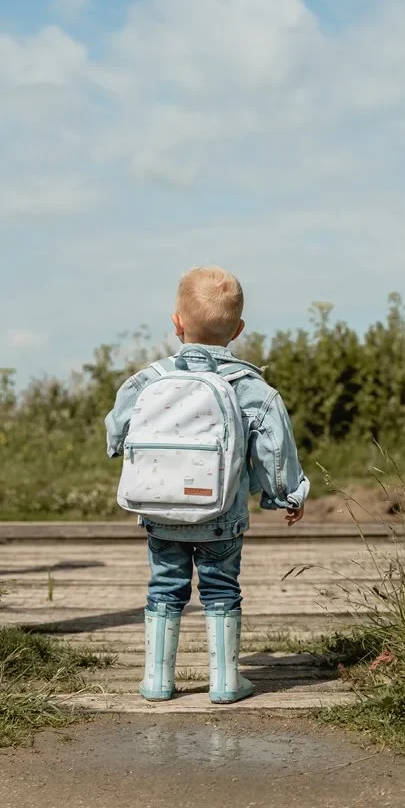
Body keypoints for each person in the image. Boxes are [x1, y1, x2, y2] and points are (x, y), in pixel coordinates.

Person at [104, 265, 309, 703]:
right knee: (220, 588)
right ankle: (225, 681)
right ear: (237, 330)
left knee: (164, 586)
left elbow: (117, 429)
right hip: (221, 515)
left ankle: (158, 682)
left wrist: (121, 448)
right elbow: (274, 449)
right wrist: (286, 494)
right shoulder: (250, 387)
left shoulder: (149, 381)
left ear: (177, 323)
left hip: (160, 511)